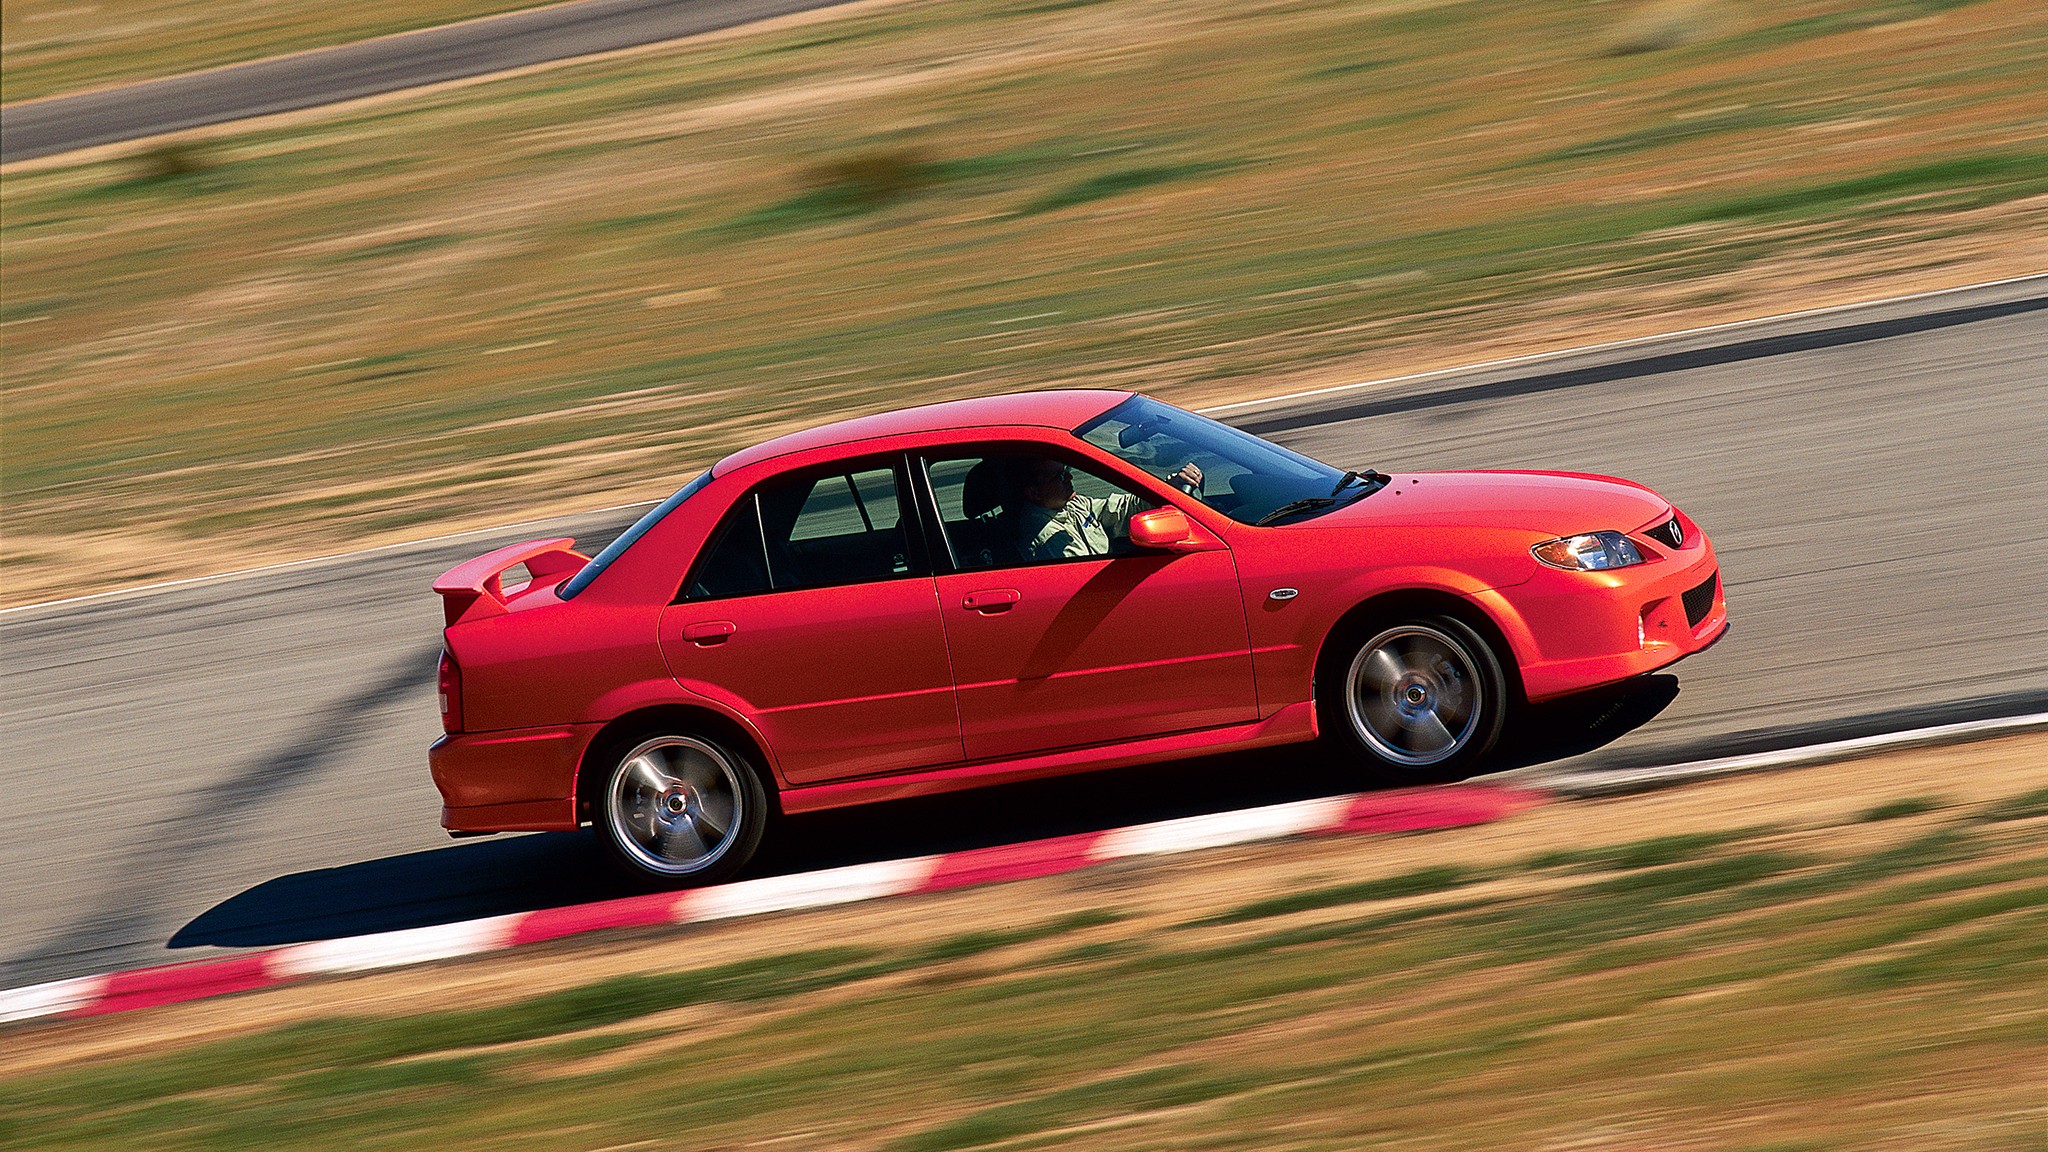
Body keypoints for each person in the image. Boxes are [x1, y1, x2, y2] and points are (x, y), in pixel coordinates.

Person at [1015, 457, 1202, 560]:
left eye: (1066, 471)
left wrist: (1168, 489)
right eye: (1059, 476)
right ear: (1034, 493)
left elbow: (1121, 510)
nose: (1069, 478)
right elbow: (1085, 579)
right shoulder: (1047, 538)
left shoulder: (1071, 504)